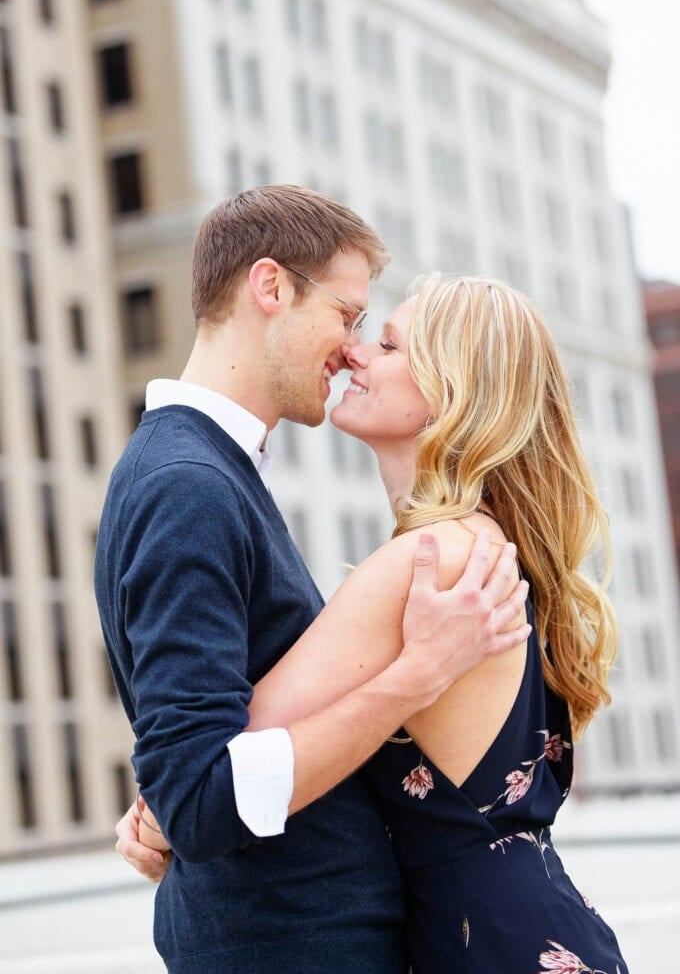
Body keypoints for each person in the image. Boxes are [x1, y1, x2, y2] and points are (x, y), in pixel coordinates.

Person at [130, 274, 629, 973]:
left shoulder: (424, 564)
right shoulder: (479, 544)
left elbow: (216, 765)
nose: (357, 354)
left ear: (450, 391)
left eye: (388, 344)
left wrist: (160, 809)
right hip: (525, 930)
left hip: (482, 947)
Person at [95, 186, 530, 974]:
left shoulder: (209, 476)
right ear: (270, 287)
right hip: (293, 947)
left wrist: (168, 799)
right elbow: (201, 792)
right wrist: (416, 676)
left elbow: (195, 761)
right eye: (347, 315)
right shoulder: (188, 485)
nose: (350, 348)